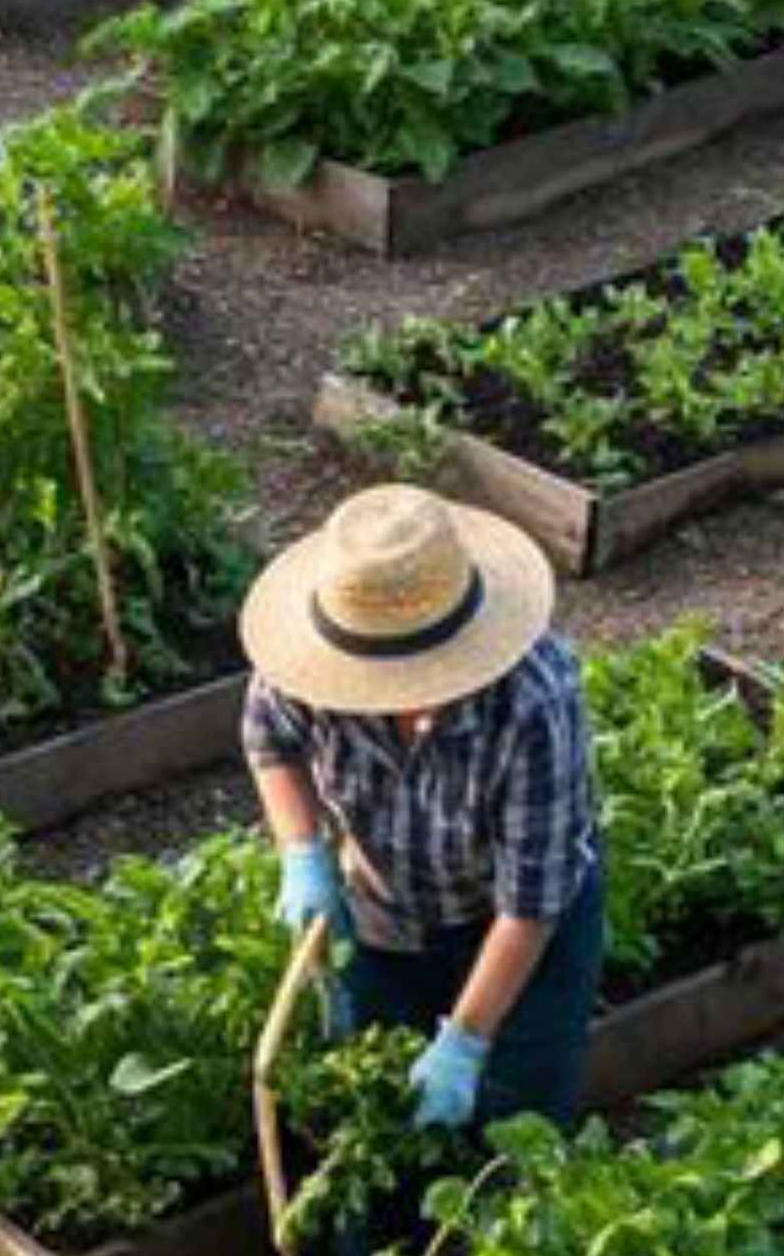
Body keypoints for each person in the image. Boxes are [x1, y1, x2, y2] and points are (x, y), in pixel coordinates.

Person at [237, 485, 603, 1141]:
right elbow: (269, 739)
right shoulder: (310, 658)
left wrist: (463, 1044)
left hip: (518, 924)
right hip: (386, 911)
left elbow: (530, 903)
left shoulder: (531, 703)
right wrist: (304, 855)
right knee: (377, 1120)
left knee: (514, 1123)